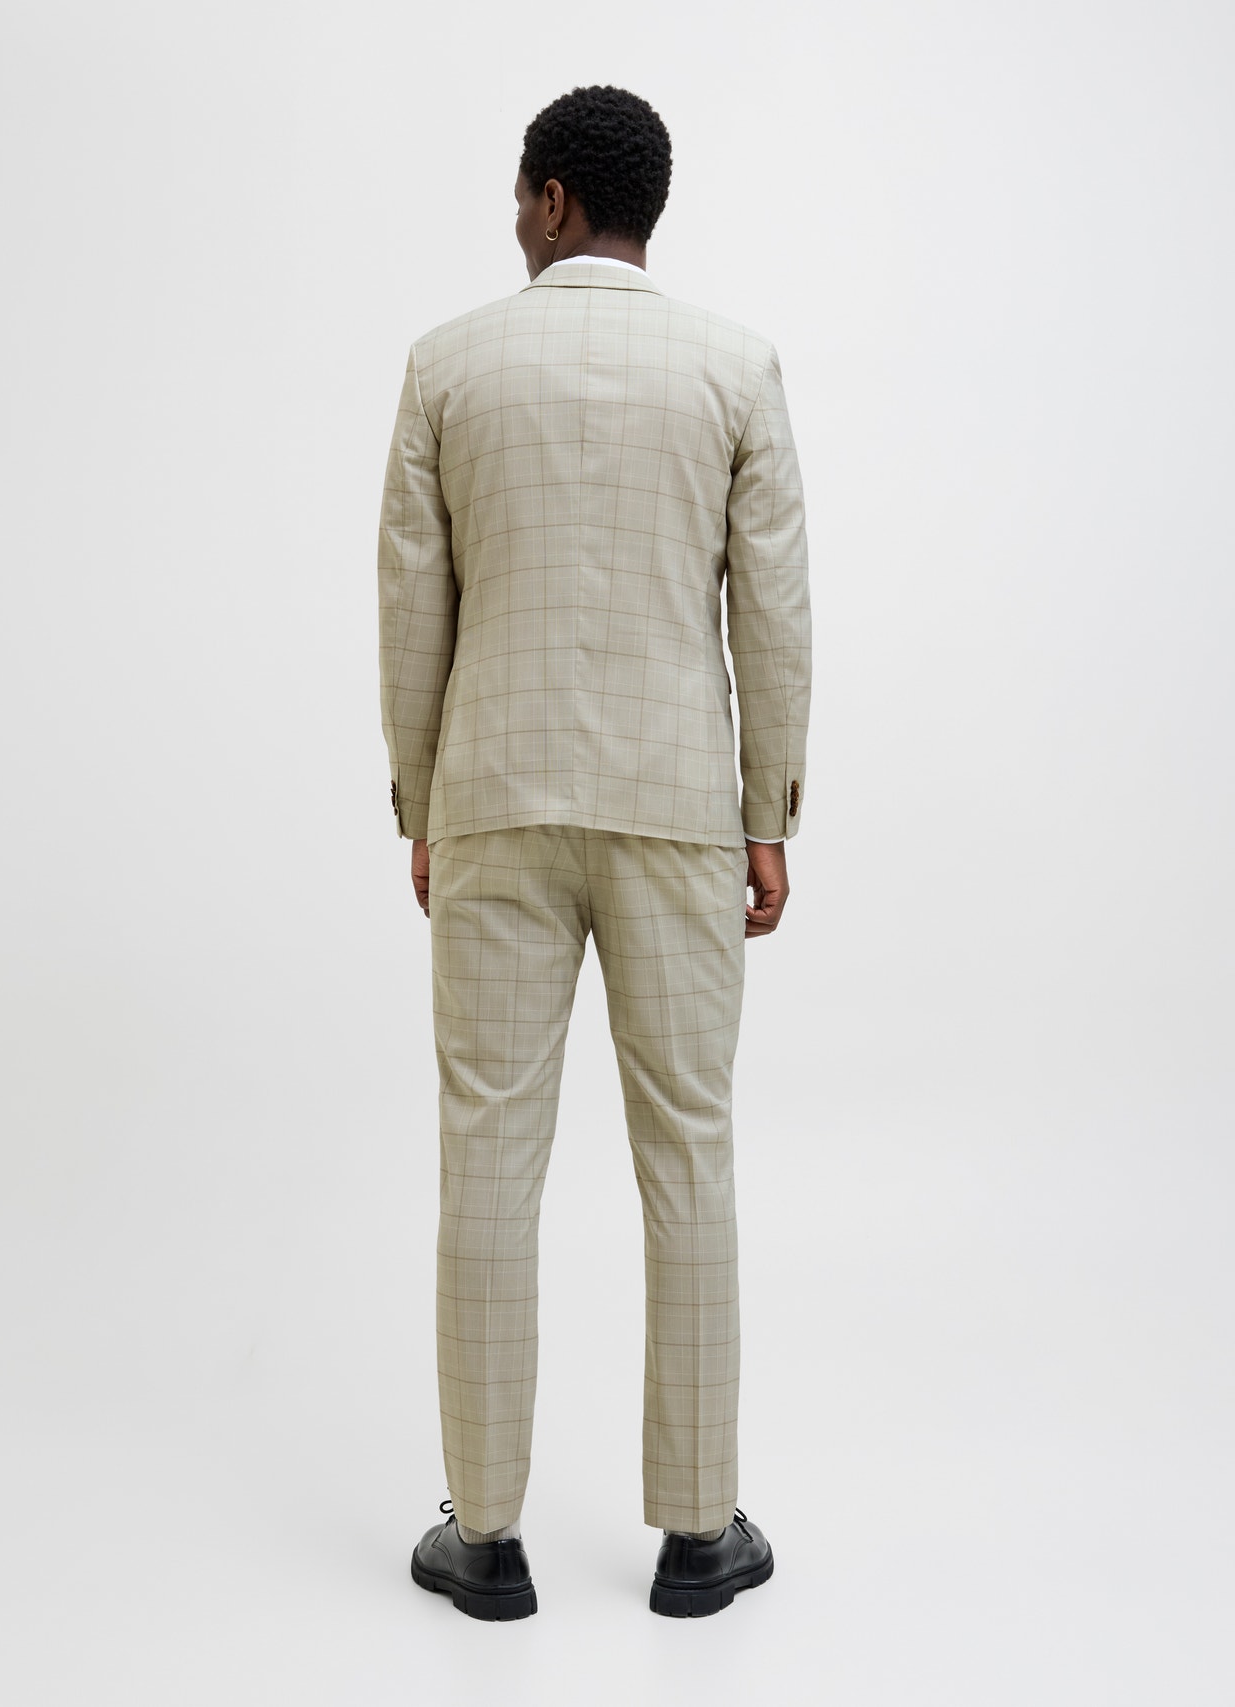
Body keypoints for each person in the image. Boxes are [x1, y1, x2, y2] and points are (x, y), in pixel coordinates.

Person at [377, 84, 812, 1621]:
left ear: (556, 198)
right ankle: (699, 1535)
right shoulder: (735, 368)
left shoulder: (449, 364)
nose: (514, 217)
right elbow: (773, 609)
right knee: (689, 1151)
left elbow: (412, 603)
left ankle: (485, 1538)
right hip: (678, 808)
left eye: (521, 193)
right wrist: (767, 815)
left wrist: (423, 802)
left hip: (494, 802)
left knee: (487, 1154)